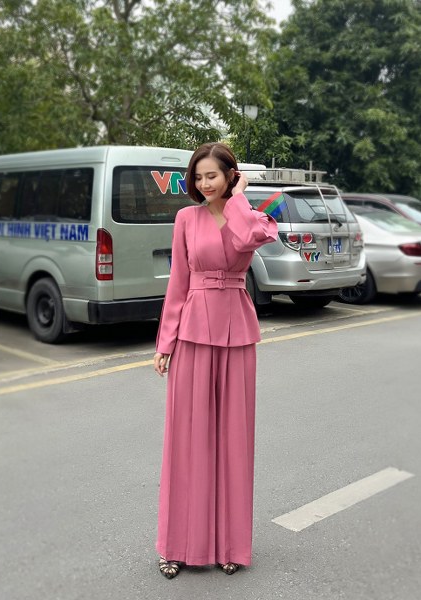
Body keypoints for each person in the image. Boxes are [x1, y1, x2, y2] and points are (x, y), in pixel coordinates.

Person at [153, 142, 278, 579]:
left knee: (233, 441)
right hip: (192, 332)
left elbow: (249, 239)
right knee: (186, 440)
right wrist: (165, 342)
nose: (204, 183)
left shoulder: (254, 217)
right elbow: (178, 282)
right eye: (198, 176)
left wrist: (239, 197)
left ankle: (230, 546)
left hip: (237, 333)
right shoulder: (186, 219)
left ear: (230, 176)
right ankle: (174, 545)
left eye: (212, 175)